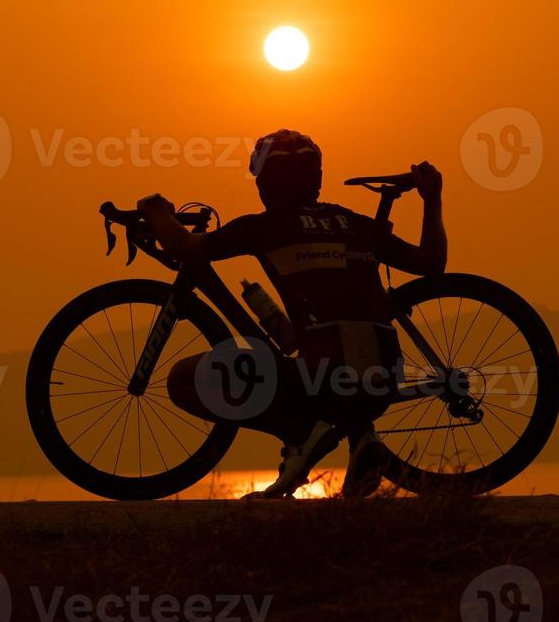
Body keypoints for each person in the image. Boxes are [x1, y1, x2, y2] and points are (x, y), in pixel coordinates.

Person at [137, 129, 446, 499]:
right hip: (383, 376)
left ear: (265, 181)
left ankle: (301, 434)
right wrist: (432, 200)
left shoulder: (262, 228)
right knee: (313, 346)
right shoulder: (355, 223)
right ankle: (362, 436)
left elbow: (184, 246)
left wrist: (156, 208)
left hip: (322, 378)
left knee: (182, 379)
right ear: (315, 178)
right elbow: (432, 262)